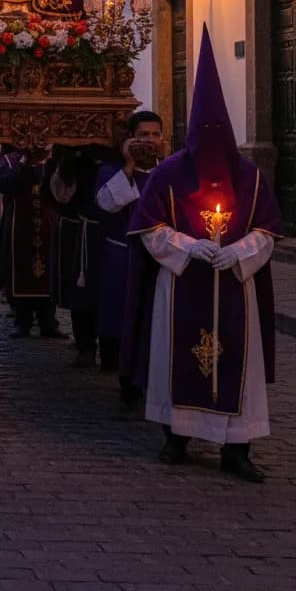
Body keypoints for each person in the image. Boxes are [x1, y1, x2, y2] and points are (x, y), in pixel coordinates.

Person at [123, 28, 281, 482]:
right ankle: (177, 437)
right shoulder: (169, 174)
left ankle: (237, 447)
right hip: (181, 285)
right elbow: (149, 228)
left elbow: (268, 229)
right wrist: (189, 246)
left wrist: (239, 252)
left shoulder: (249, 176)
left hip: (236, 286)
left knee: (239, 364)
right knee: (177, 354)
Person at [94, 111, 164, 406]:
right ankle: (129, 383)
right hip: (125, 255)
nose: (149, 141)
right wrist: (130, 166)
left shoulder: (169, 170)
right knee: (126, 321)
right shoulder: (113, 171)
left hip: (162, 259)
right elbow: (106, 203)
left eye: (155, 135)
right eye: (143, 135)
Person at [0, 147, 65, 339]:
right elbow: (2, 184)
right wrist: (25, 164)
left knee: (49, 269)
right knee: (20, 269)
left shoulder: (54, 159)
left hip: (48, 223)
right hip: (19, 224)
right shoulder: (10, 160)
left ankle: (48, 321)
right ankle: (22, 320)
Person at [48, 146, 107, 368]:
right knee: (81, 292)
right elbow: (61, 194)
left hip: (115, 232)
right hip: (82, 230)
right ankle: (86, 346)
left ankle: (112, 347)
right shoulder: (73, 157)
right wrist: (68, 162)